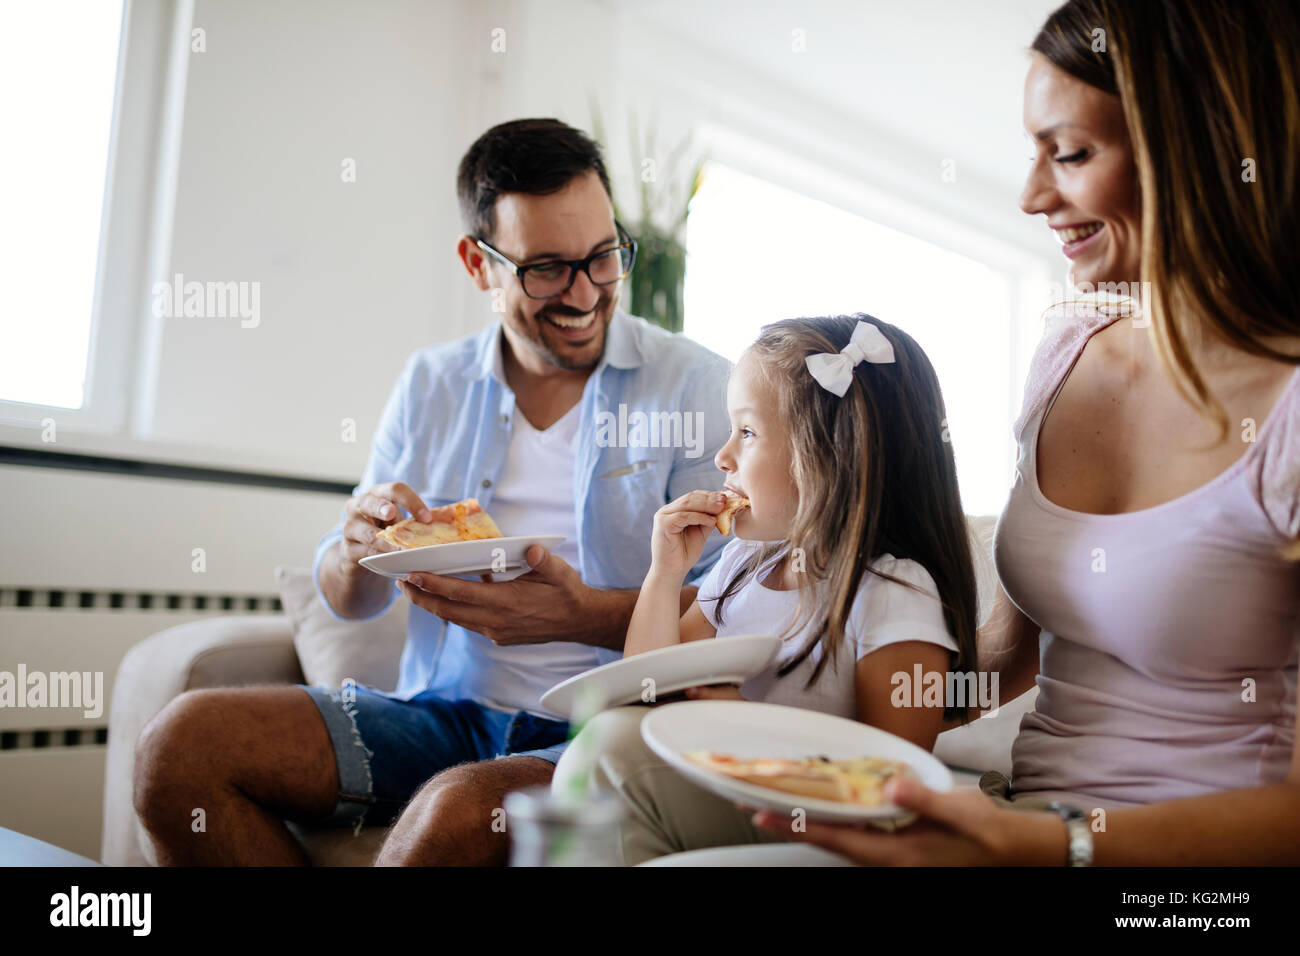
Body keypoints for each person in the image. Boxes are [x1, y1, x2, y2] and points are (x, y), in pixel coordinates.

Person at [757, 0, 1300, 865]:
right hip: (1023, 823)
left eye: (1072, 153)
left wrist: (1060, 848)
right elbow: (1009, 653)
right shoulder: (1067, 350)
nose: (1031, 195)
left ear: (1194, 148)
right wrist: (793, 715)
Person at [133, 118, 731, 866]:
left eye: (603, 257)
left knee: (452, 813)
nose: (585, 293)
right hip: (443, 715)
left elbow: (729, 614)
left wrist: (581, 615)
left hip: (603, 731)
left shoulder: (699, 387)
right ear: (479, 265)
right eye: (546, 267)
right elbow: (350, 596)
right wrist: (355, 551)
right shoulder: (432, 384)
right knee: (180, 750)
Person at [577, 314, 980, 864]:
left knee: (606, 753)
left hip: (821, 829)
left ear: (829, 454)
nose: (722, 456)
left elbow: (895, 788)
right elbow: (641, 693)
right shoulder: (745, 564)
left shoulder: (893, 592)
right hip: (734, 799)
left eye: (746, 432)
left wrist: (745, 729)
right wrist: (663, 575)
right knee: (607, 744)